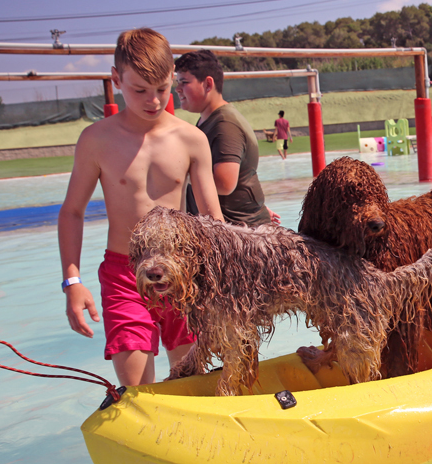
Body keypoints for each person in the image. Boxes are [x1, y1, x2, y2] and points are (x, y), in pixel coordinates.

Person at [58, 28, 224, 387]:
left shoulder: (191, 139)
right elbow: (72, 211)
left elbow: (212, 216)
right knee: (137, 389)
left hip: (183, 272)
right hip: (125, 276)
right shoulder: (96, 140)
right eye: (139, 90)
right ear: (116, 79)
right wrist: (72, 282)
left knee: (192, 383)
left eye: (163, 89)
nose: (153, 100)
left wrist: (223, 277)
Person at [174, 50, 279, 226]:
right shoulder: (209, 120)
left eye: (184, 82)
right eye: (177, 83)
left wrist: (177, 174)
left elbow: (225, 183)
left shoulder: (225, 124)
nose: (177, 89)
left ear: (208, 84)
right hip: (234, 230)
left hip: (242, 237)